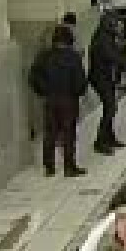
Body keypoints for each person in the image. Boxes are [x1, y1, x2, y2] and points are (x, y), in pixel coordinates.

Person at [27, 24, 86, 177]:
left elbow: (33, 77)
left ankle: (49, 167)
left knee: (50, 133)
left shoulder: (44, 56)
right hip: (68, 99)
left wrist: (43, 91)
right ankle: (69, 166)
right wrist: (78, 92)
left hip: (50, 99)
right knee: (69, 133)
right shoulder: (73, 57)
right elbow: (80, 81)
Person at [86, 12, 126, 155]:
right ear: (110, 25)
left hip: (106, 77)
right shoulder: (103, 40)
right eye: (117, 24)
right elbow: (113, 57)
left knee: (111, 108)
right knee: (110, 108)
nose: (120, 26)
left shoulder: (108, 36)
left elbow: (117, 54)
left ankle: (109, 137)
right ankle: (100, 141)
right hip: (100, 79)